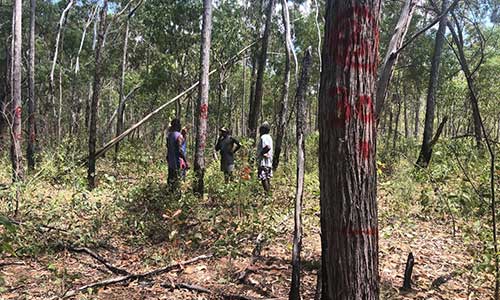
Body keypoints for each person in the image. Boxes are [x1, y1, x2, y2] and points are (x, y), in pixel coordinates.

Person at [166, 118, 188, 187]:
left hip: (171, 162)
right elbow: (180, 150)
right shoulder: (179, 136)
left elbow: (168, 148)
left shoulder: (169, 136)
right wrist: (185, 161)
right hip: (178, 163)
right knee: (178, 181)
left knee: (171, 180)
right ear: (177, 126)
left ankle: (169, 194)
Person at [257, 122, 273, 193]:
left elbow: (268, 147)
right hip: (268, 162)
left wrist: (261, 153)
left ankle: (267, 194)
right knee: (267, 177)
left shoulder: (264, 137)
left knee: (263, 178)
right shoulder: (269, 137)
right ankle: (268, 194)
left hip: (264, 162)